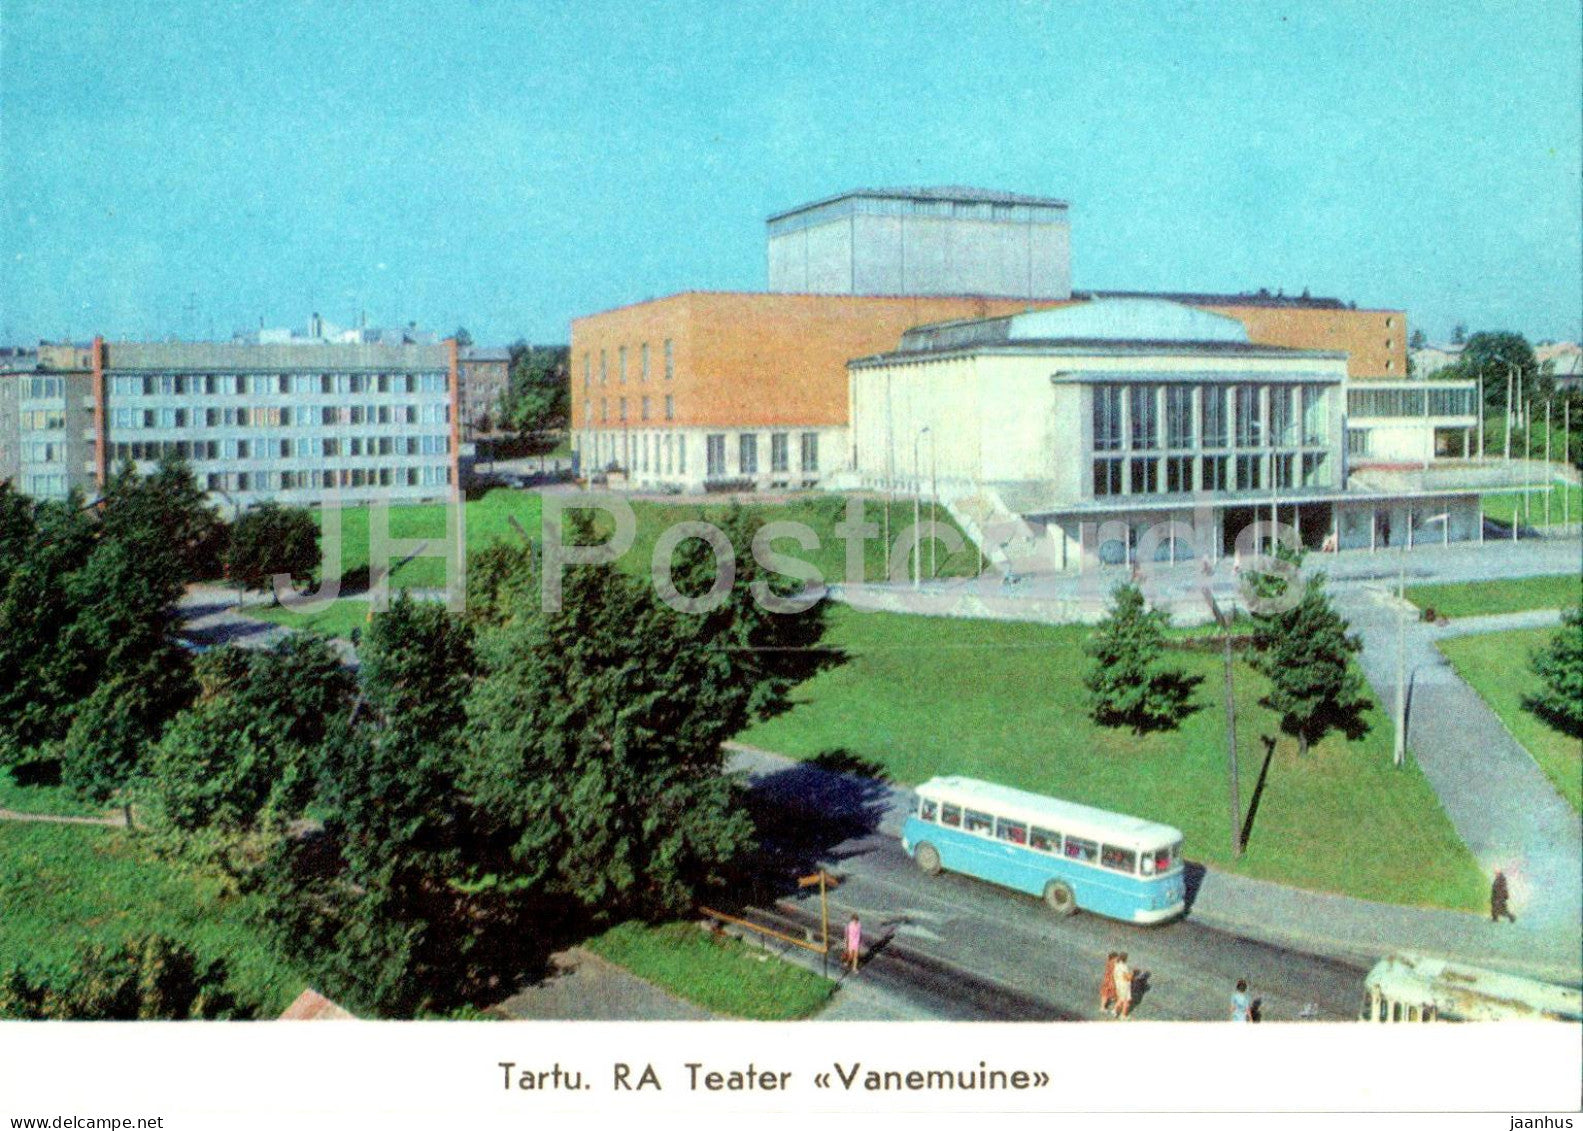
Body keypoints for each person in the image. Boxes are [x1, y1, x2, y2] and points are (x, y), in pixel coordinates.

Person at [1113, 953, 1134, 1019]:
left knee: (1120, 999)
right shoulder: (1124, 967)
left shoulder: (1116, 965)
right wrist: (1132, 975)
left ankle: (1114, 1011)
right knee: (1126, 1001)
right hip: (1124, 985)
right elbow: (1127, 978)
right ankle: (1123, 1016)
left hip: (1118, 984)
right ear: (1125, 959)